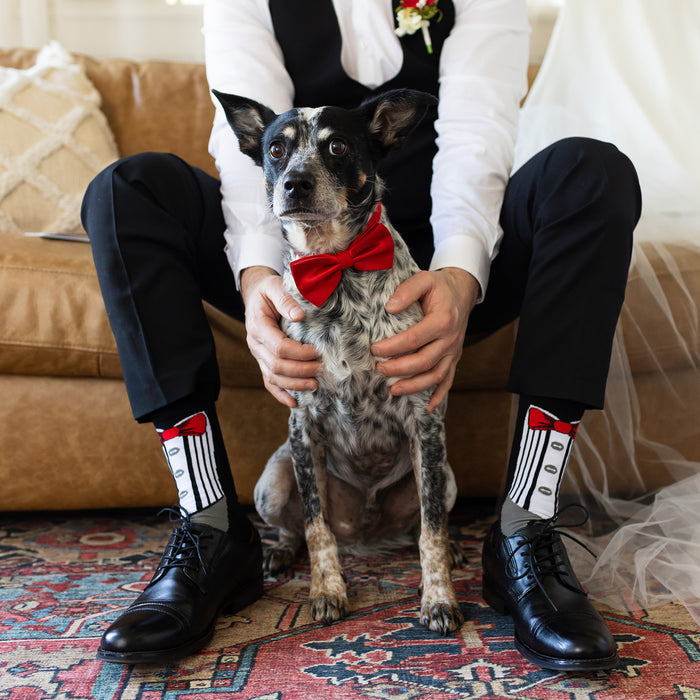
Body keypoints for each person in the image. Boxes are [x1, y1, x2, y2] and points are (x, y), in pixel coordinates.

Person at [81, 0, 641, 669]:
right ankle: (210, 526)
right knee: (125, 188)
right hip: (288, 257)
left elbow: (477, 135)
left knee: (593, 172)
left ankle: (525, 527)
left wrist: (460, 277)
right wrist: (260, 277)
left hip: (431, 263)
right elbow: (253, 155)